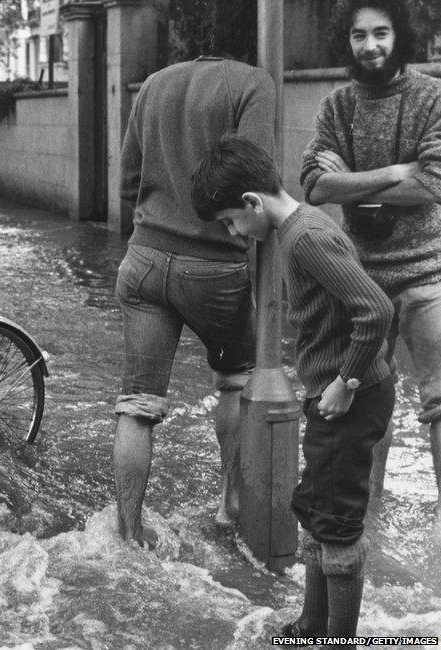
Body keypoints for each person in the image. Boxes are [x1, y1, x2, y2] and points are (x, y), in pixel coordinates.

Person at [193, 136, 394, 644]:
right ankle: (311, 625)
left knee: (340, 527)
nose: (236, 232)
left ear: (252, 204)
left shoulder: (304, 238)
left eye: (232, 221)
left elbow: (376, 310)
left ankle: (337, 639)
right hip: (332, 395)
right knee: (316, 508)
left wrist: (345, 383)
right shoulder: (293, 231)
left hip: (350, 395)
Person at [114, 23, 276, 544]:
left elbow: (124, 184)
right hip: (215, 267)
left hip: (142, 261)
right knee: (234, 380)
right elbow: (255, 180)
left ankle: (127, 534)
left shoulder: (155, 83)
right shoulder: (253, 82)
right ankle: (230, 505)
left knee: (137, 404)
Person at [301, 0, 441, 519]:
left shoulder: (432, 96)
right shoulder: (337, 105)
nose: (371, 46)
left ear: (398, 35)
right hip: (359, 281)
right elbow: (313, 186)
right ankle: (364, 523)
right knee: (361, 406)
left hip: (427, 274)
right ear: (349, 41)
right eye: (360, 36)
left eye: (380, 33)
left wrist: (352, 185)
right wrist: (394, 172)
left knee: (440, 405)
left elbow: (435, 182)